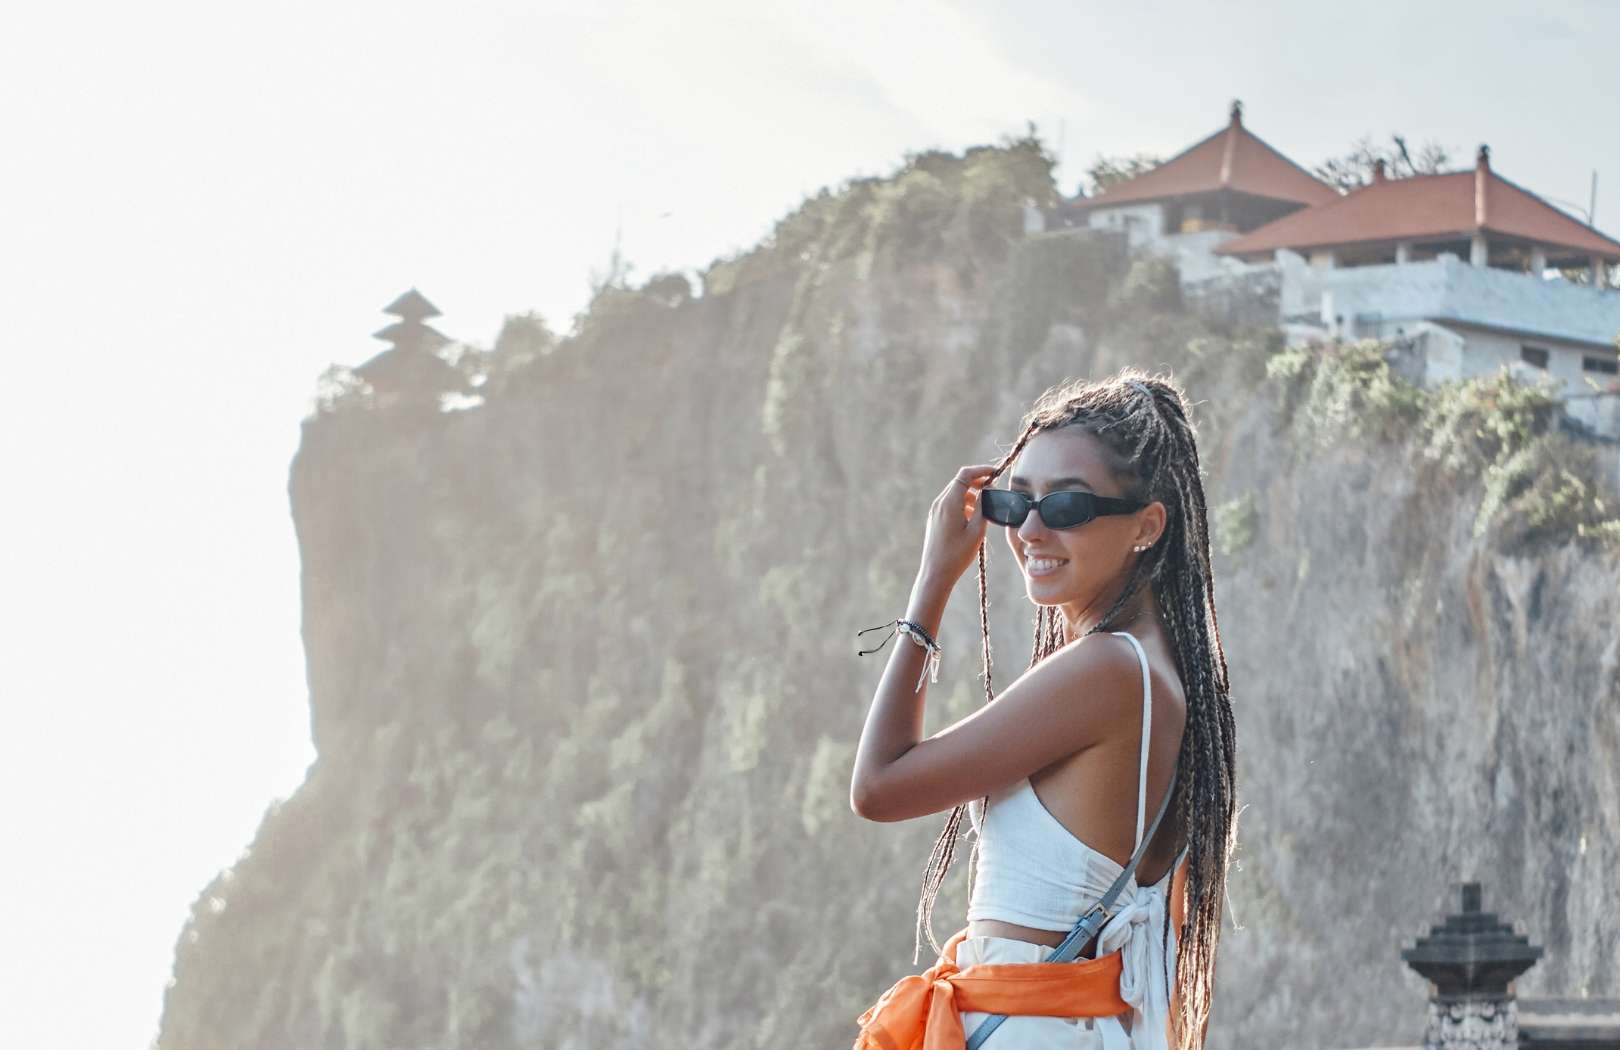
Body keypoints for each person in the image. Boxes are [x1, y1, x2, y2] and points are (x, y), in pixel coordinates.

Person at [849, 369, 1237, 1050]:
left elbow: (878, 786)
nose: (1029, 528)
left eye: (1066, 508)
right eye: (1012, 502)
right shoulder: (1151, 670)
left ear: (1146, 527)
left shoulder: (1109, 669)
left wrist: (933, 580)